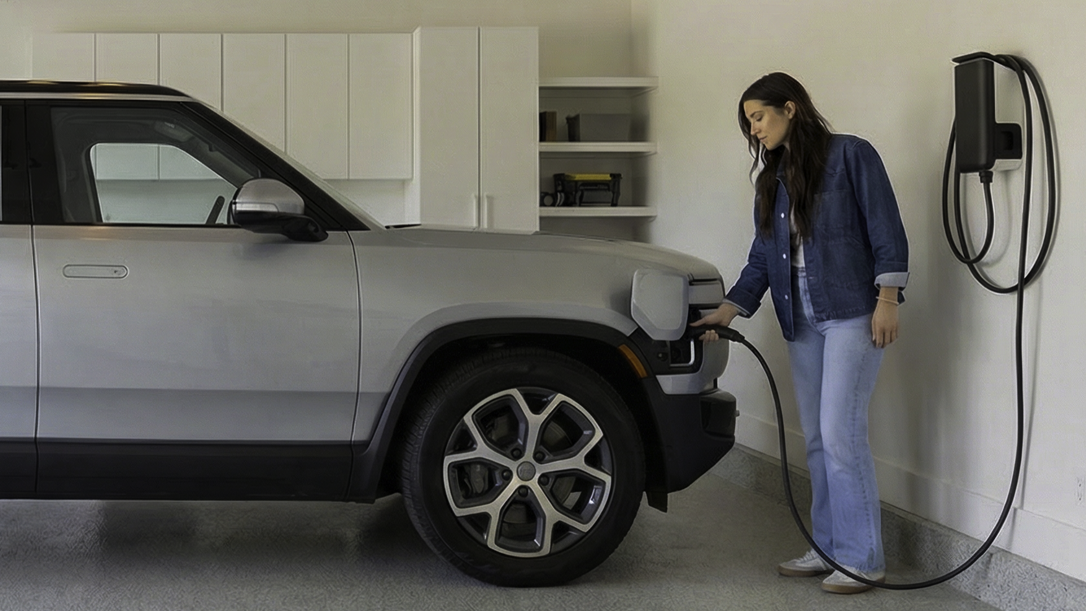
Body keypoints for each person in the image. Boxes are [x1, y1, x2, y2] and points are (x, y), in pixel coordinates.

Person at [693, 72, 909, 595]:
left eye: (759, 117)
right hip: (803, 321)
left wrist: (887, 299)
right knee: (816, 440)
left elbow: (886, 228)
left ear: (790, 108)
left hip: (854, 312)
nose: (754, 130)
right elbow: (763, 257)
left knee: (841, 435)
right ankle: (829, 548)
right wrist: (730, 308)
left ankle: (863, 561)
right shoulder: (774, 179)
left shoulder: (852, 155)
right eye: (749, 123)